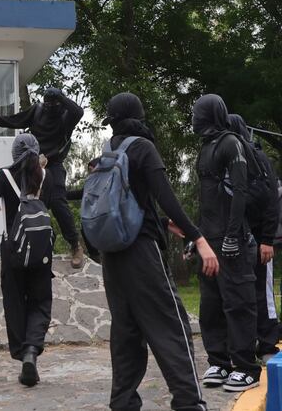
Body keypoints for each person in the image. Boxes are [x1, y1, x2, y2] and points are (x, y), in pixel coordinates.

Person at [100, 92, 217, 411]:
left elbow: (126, 202)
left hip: (112, 254)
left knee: (125, 329)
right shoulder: (142, 147)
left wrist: (163, 221)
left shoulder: (107, 151)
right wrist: (199, 238)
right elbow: (164, 195)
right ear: (138, 115)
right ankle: (189, 402)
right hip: (141, 252)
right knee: (171, 323)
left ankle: (123, 402)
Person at [193, 94, 261, 392]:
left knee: (238, 303)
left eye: (197, 111)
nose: (194, 117)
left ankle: (246, 367)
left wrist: (234, 236)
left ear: (210, 113)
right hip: (209, 240)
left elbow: (240, 192)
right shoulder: (206, 147)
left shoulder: (231, 143)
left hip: (232, 241)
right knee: (211, 306)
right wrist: (196, 236)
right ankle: (218, 361)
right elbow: (205, 198)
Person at [0, 88, 86, 268]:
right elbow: (14, 120)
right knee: (24, 200)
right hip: (33, 163)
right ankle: (27, 241)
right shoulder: (37, 110)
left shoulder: (67, 116)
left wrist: (60, 97)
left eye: (55, 103)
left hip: (54, 164)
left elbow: (78, 111)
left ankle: (75, 245)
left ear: (60, 102)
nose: (50, 107)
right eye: (48, 103)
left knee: (58, 202)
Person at [0, 133, 53, 387]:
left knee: (15, 303)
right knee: (40, 301)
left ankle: (23, 354)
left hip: (13, 249)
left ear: (14, 153)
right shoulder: (45, 176)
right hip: (41, 250)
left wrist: (0, 205)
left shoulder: (3, 175)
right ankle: (32, 351)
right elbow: (50, 205)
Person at [227, 114, 280, 363]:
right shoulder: (223, 159)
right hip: (236, 239)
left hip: (260, 239)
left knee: (263, 291)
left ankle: (267, 342)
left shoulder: (258, 159)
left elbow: (271, 201)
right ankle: (243, 344)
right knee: (239, 293)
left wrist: (268, 240)